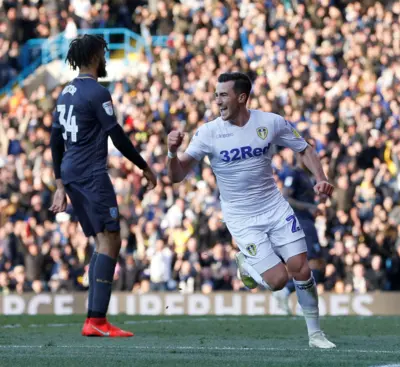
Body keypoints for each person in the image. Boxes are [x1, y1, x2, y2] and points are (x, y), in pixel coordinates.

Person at [166, 72, 336, 349]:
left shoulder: (270, 122)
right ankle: (246, 261)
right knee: (279, 280)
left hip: (274, 207)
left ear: (241, 97)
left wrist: (321, 178)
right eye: (216, 94)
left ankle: (315, 334)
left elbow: (304, 148)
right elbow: (176, 175)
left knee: (301, 268)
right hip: (242, 217)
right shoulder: (208, 132)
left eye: (223, 94)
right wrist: (172, 153)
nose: (217, 99)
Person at [49, 34, 157, 337]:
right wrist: (144, 167)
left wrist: (59, 183)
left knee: (102, 240)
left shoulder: (65, 93)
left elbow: (55, 140)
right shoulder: (97, 92)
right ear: (96, 57)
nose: (106, 58)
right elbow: (117, 136)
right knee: (111, 240)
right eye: (104, 54)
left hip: (71, 173)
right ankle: (97, 320)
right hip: (90, 175)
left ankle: (93, 320)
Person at [273, 138, 325, 315]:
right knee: (313, 264)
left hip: (308, 221)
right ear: (299, 155)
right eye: (307, 154)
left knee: (313, 264)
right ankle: (296, 297)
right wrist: (310, 208)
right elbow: (286, 198)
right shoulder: (293, 174)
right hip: (300, 223)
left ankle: (294, 296)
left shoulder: (307, 176)